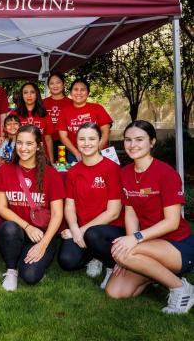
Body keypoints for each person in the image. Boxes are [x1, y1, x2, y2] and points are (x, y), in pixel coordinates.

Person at [106, 120, 194, 314]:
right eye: (128, 140)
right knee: (115, 291)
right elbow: (130, 212)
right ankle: (154, 273)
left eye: (139, 139)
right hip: (148, 243)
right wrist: (129, 243)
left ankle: (181, 288)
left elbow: (172, 222)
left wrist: (133, 243)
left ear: (152, 142)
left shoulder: (166, 173)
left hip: (177, 245)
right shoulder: (125, 173)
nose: (132, 145)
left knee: (124, 253)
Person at [0, 125, 65, 291]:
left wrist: (43, 244)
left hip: (42, 235)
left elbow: (57, 214)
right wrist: (27, 226)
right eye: (19, 143)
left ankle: (26, 262)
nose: (23, 148)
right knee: (8, 228)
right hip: (18, 232)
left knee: (30, 276)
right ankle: (11, 270)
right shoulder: (5, 171)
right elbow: (1, 208)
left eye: (29, 143)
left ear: (38, 146)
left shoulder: (51, 174)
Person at [58, 122, 124, 288]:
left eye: (92, 139)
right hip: (82, 230)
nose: (86, 143)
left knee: (93, 234)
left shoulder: (112, 168)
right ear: (76, 141)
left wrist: (79, 231)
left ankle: (111, 265)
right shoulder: (73, 171)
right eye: (82, 139)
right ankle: (94, 256)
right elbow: (69, 206)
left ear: (100, 140)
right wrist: (74, 228)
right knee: (66, 261)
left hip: (110, 229)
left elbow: (114, 212)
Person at [58, 78, 113, 163]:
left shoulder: (97, 108)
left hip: (98, 152)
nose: (79, 93)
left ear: (88, 93)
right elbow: (63, 137)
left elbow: (106, 132)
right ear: (71, 93)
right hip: (74, 153)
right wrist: (76, 153)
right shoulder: (64, 111)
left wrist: (96, 151)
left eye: (82, 90)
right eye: (76, 89)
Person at [10, 82, 54, 163]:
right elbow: (10, 136)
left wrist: (51, 159)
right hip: (21, 156)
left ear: (36, 94)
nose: (29, 95)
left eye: (32, 92)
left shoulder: (44, 114)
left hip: (41, 157)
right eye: (25, 92)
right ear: (21, 95)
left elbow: (48, 138)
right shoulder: (14, 114)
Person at [43, 72, 73, 160]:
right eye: (52, 83)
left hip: (64, 143)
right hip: (47, 142)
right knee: (48, 168)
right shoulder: (42, 103)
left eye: (58, 82)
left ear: (64, 84)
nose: (55, 85)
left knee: (62, 167)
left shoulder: (71, 103)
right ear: (48, 86)